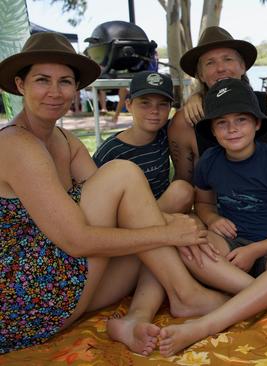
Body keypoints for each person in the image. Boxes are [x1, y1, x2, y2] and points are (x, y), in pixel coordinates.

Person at [0, 32, 226, 356]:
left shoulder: (66, 142)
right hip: (25, 298)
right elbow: (78, 240)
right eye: (42, 80)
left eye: (64, 81)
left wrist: (175, 225)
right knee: (124, 174)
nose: (54, 91)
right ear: (20, 85)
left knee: (151, 232)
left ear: (75, 89)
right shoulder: (16, 145)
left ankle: (139, 317)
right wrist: (167, 232)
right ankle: (187, 293)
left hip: (66, 279)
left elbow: (123, 207)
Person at [157, 78, 267, 356]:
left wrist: (255, 249)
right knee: (188, 242)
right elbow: (204, 203)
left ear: (257, 124)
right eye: (222, 122)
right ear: (213, 129)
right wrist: (211, 219)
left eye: (241, 120)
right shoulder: (209, 160)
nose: (232, 129)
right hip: (229, 246)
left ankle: (206, 324)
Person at [169, 26, 267, 183]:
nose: (220, 68)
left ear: (243, 66)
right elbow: (183, 183)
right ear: (200, 75)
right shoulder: (185, 120)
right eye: (210, 63)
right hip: (216, 203)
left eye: (228, 59)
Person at [93, 71, 193, 214]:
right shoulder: (111, 150)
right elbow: (92, 194)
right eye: (145, 103)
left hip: (162, 208)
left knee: (183, 190)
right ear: (128, 105)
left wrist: (196, 97)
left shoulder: (167, 133)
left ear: (170, 108)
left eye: (162, 104)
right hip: (128, 218)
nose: (154, 111)